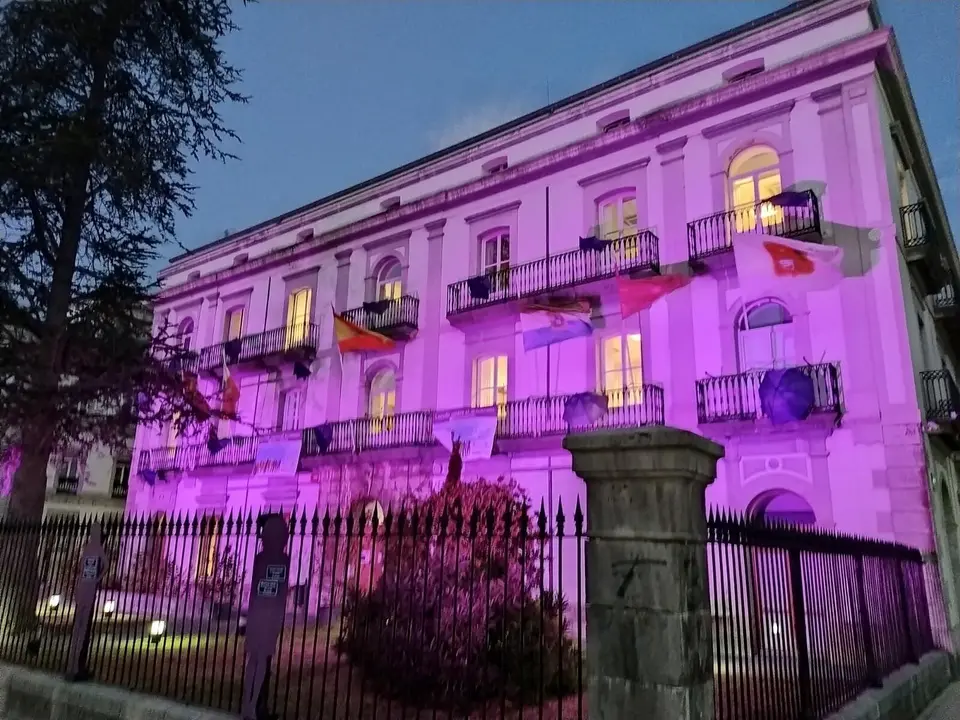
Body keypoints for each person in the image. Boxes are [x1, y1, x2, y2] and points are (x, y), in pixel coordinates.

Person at [240, 514, 290, 720]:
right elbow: (279, 593)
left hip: (259, 614)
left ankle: (250, 705)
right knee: (258, 661)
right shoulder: (279, 560)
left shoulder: (265, 559)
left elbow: (259, 591)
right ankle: (250, 705)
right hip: (267, 616)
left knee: (255, 660)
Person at [67, 523, 107, 681]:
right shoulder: (98, 550)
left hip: (81, 587)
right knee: (82, 629)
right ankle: (77, 666)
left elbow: (80, 568)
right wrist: (98, 578)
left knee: (78, 627)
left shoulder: (87, 550)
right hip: (88, 589)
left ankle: (73, 665)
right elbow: (106, 566)